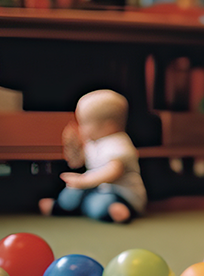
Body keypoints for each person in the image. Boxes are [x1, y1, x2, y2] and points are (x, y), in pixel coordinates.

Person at [39, 89, 147, 223]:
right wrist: (73, 147)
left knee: (99, 202)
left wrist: (84, 181)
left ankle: (115, 209)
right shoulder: (93, 143)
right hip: (97, 188)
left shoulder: (118, 142)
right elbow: (77, 163)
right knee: (72, 191)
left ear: (108, 126)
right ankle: (60, 206)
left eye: (84, 123)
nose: (81, 128)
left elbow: (114, 171)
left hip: (121, 194)